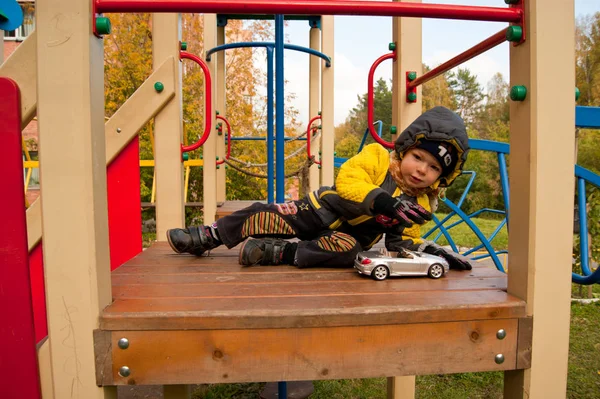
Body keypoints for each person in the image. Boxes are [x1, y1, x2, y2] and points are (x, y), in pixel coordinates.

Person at [166, 106, 472, 270]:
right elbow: (349, 180)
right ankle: (208, 236)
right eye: (419, 157)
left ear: (443, 177)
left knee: (350, 254)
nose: (422, 169)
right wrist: (383, 203)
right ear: (405, 150)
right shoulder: (379, 159)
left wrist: (435, 253)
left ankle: (278, 253)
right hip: (317, 211)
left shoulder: (419, 201)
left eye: (434, 168)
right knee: (266, 215)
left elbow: (400, 242)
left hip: (345, 235)